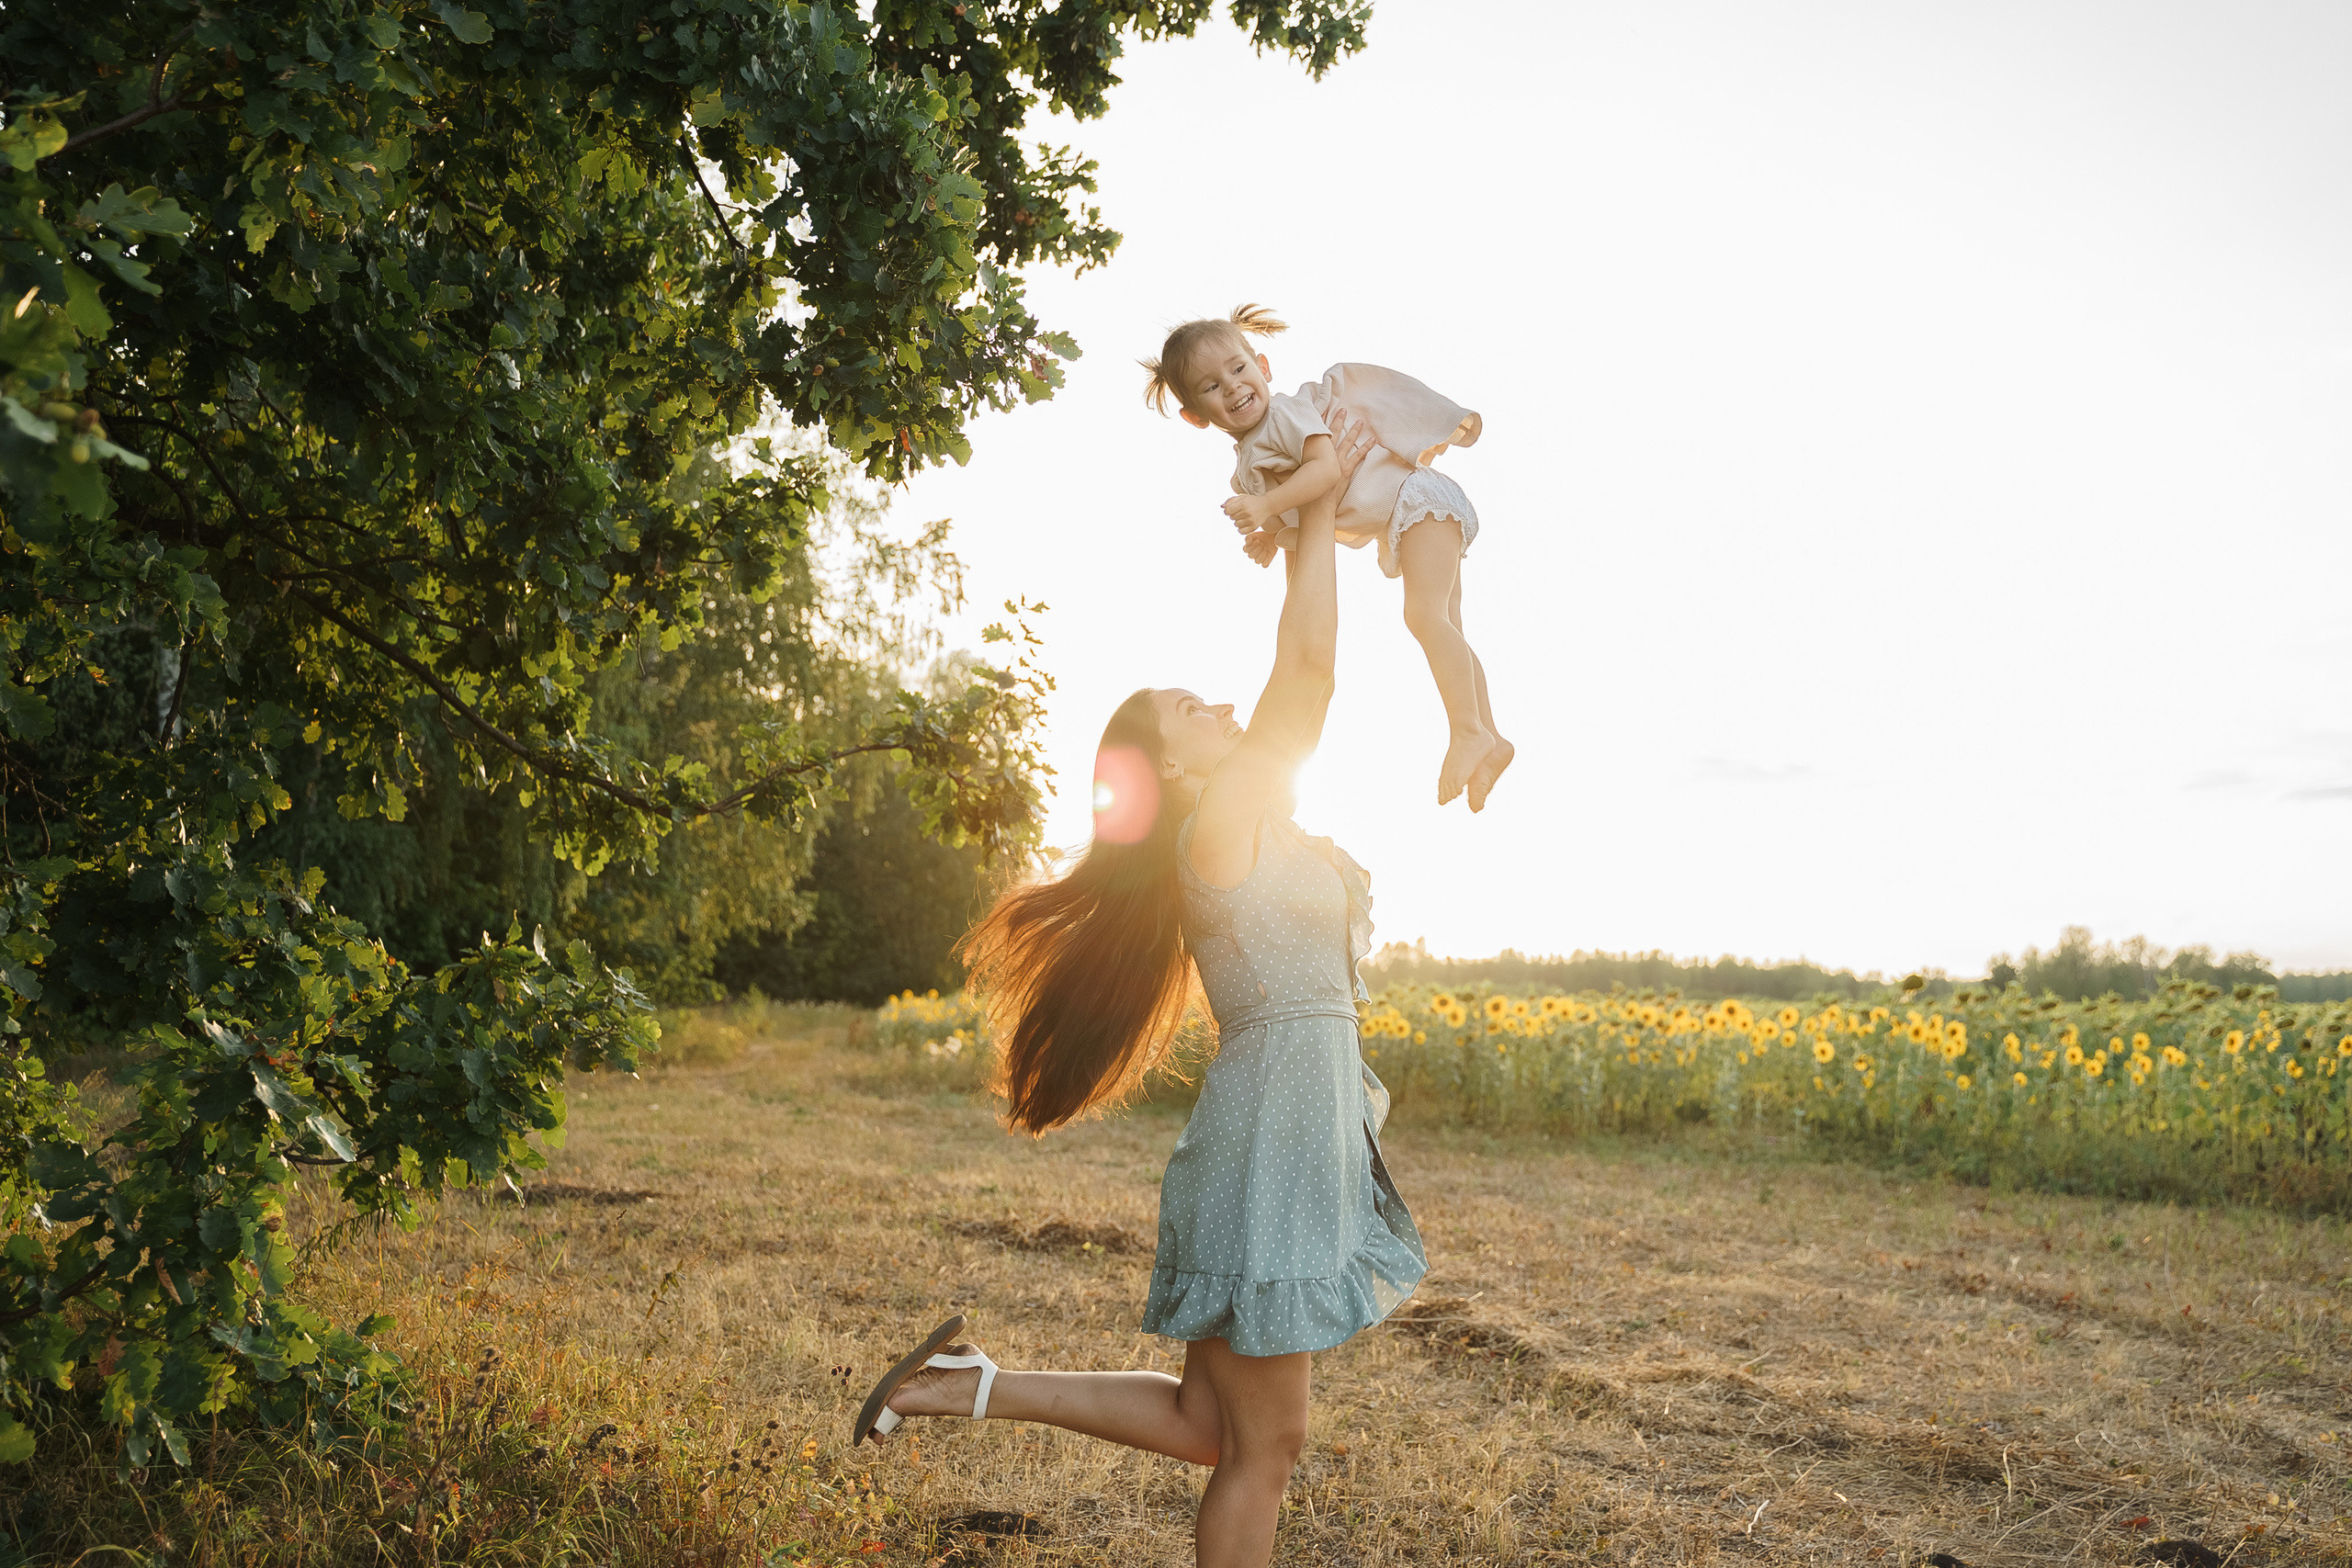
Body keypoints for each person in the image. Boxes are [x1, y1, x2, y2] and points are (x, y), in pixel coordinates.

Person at [850, 411, 1427, 1568]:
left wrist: (1313, 498)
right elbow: (1306, 673)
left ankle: (967, 1386)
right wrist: (1315, 502)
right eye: (1189, 709)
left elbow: (1294, 691)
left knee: (1211, 1427)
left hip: (1283, 1127)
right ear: (1173, 768)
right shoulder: (1218, 828)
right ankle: (966, 1387)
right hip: (1271, 1136)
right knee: (1263, 1449)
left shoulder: (1243, 827)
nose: (1219, 706)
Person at [1142, 303, 1512, 812]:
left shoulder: (1286, 414)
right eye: (1210, 386)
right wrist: (1270, 532)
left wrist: (1268, 506)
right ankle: (1490, 737)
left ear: (1264, 368)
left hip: (1418, 501)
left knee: (1424, 617)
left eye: (1238, 368)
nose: (1231, 386)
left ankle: (1467, 731)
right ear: (1194, 417)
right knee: (1446, 622)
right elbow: (1297, 510)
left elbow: (1324, 472)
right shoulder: (1252, 458)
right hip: (1419, 511)